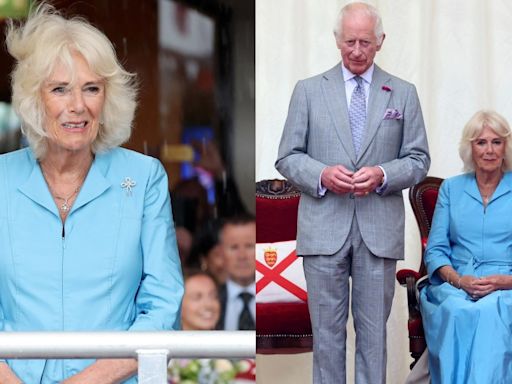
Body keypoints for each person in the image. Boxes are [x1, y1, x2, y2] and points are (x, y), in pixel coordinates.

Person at [0, 4, 183, 383]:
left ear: (107, 97)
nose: (77, 106)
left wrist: (85, 381)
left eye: (91, 88)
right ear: (36, 98)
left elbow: (163, 305)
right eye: (60, 89)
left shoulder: (144, 177)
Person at [275, 2, 430, 383]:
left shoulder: (403, 93)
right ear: (336, 40)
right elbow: (288, 157)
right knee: (326, 339)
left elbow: (418, 159)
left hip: (378, 232)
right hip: (322, 231)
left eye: (365, 42)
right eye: (349, 42)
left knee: (374, 338)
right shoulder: (309, 91)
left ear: (380, 42)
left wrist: (382, 173)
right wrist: (321, 174)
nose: (356, 51)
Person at [419, 110, 512, 383]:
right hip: (457, 282)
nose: (489, 150)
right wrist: (459, 281)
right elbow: (435, 250)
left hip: (507, 284)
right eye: (481, 142)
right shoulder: (451, 188)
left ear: (506, 147)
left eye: (497, 142)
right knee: (459, 310)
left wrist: (502, 281)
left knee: (488, 311)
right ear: (470, 148)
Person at [216, 214, 256, 330]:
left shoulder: (278, 298)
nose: (242, 256)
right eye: (234, 247)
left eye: (249, 246)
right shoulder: (211, 300)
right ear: (220, 252)